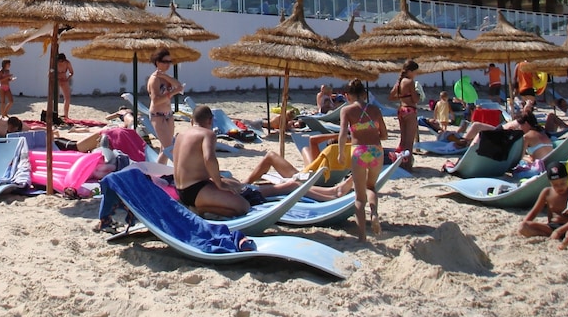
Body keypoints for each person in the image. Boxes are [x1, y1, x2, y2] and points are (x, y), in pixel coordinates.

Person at [172, 105, 351, 218]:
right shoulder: (207, 133)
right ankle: (333, 193)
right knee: (244, 205)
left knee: (244, 186)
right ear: (210, 120)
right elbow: (209, 158)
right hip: (198, 191)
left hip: (184, 191)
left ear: (192, 121)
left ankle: (333, 192)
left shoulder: (181, 135)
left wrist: (220, 182)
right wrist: (219, 184)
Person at [336, 78, 388, 240]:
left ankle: (362, 237)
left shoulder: (346, 111)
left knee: (359, 197)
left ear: (348, 96)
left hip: (359, 150)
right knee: (371, 186)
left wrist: (341, 152)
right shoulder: (375, 110)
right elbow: (385, 134)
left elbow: (343, 133)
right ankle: (374, 214)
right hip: (376, 151)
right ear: (364, 94)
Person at [518, 161, 568, 239]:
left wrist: (561, 231)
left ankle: (555, 236)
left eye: (562, 183)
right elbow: (534, 212)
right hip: (551, 227)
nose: (559, 187)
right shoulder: (547, 192)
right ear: (549, 182)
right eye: (555, 185)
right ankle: (549, 236)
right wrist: (525, 222)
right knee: (523, 227)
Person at [146, 48, 183, 160]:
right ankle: (158, 174)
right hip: (158, 115)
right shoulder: (154, 79)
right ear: (157, 62)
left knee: (165, 149)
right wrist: (172, 93)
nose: (168, 65)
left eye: (169, 62)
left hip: (168, 114)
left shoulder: (165, 78)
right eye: (165, 62)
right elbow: (155, 100)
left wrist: (166, 77)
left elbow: (179, 86)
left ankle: (159, 174)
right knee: (169, 148)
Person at [388, 59, 419, 170]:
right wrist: (417, 95)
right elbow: (415, 99)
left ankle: (402, 163)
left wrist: (403, 97)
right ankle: (407, 165)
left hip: (401, 110)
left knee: (403, 139)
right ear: (410, 71)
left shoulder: (399, 82)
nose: (416, 74)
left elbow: (391, 97)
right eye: (415, 72)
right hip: (410, 110)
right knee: (409, 141)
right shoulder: (410, 82)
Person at [57, 53, 75, 120]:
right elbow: (50, 71)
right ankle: (55, 113)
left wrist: (67, 78)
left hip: (64, 79)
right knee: (56, 97)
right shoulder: (55, 63)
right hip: (57, 79)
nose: (61, 62)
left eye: (62, 61)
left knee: (67, 97)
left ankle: (66, 115)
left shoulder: (67, 63)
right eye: (59, 61)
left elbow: (71, 72)